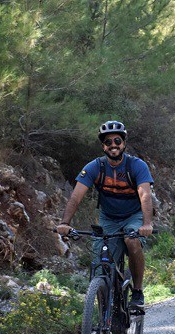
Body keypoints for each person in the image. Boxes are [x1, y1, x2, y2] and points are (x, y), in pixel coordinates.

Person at [56, 121, 154, 308]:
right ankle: (104, 319)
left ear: (124, 143)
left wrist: (147, 223)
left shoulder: (137, 166)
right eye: (108, 142)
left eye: (117, 140)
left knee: (131, 241)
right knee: (101, 265)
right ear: (103, 146)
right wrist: (65, 223)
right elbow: (76, 197)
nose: (113, 145)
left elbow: (145, 194)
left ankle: (138, 292)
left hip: (134, 215)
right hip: (108, 218)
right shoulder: (95, 167)